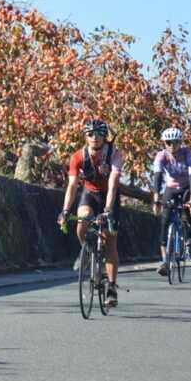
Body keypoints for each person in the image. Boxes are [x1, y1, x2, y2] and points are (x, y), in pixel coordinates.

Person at [57, 119, 123, 307]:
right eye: (90, 134)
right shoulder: (78, 156)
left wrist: (108, 210)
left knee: (110, 240)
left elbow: (113, 183)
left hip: (109, 197)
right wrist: (65, 210)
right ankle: (86, 250)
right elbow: (72, 185)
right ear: (85, 136)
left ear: (105, 137)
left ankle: (111, 287)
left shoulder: (115, 155)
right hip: (89, 193)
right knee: (83, 220)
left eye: (99, 134)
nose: (94, 138)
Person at [151, 127, 191, 275]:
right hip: (171, 188)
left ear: (180, 142)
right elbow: (158, 177)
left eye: (176, 142)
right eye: (168, 142)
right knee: (164, 221)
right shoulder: (161, 156)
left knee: (190, 207)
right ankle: (165, 261)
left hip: (187, 187)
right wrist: (156, 199)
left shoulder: (188, 154)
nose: (172, 146)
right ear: (164, 143)